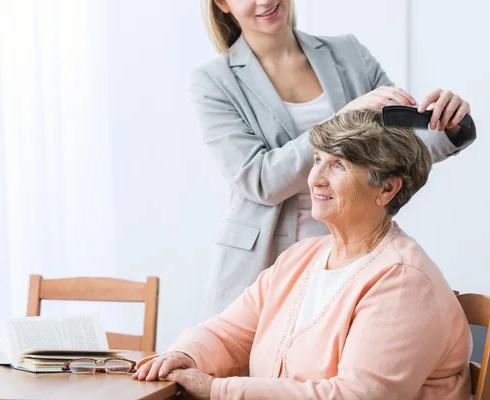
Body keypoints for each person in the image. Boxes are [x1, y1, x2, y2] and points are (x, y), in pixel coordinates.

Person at [133, 109, 473, 400]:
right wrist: (185, 354)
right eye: (317, 160)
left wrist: (218, 390)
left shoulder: (403, 281)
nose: (315, 179)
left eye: (338, 165)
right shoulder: (302, 258)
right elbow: (229, 333)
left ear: (386, 188)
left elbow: (354, 395)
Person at [194, 0, 477, 316]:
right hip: (264, 262)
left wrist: (448, 125)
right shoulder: (214, 81)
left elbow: (401, 144)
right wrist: (341, 119)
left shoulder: (348, 53)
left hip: (354, 253)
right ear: (221, 3)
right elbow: (259, 180)